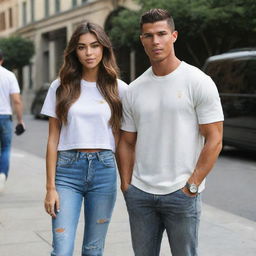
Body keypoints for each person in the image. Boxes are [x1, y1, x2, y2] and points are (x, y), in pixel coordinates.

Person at [117, 8, 224, 256]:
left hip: (181, 193)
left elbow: (215, 139)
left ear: (174, 36)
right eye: (148, 35)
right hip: (141, 194)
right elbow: (126, 141)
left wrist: (192, 186)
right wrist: (126, 186)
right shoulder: (134, 89)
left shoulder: (198, 81)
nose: (155, 41)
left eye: (161, 34)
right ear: (141, 39)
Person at [41, 21, 127, 256]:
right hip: (67, 171)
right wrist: (50, 187)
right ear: (74, 51)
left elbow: (121, 141)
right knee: (61, 249)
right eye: (81, 47)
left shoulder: (120, 89)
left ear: (104, 49)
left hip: (104, 170)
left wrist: (126, 181)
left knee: (93, 249)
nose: (89, 53)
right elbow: (52, 140)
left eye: (94, 46)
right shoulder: (60, 87)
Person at [0, 49, 24, 193]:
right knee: (6, 148)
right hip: (5, 117)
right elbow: (16, 100)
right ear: (2, 60)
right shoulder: (9, 75)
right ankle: (2, 174)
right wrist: (20, 120)